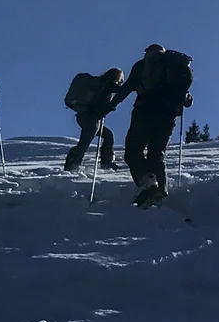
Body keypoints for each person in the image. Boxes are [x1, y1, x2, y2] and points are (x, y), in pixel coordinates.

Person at [110, 44, 193, 207]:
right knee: (156, 153)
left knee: (133, 151)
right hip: (169, 115)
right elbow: (185, 97)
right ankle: (161, 191)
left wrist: (109, 105)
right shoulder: (175, 68)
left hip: (145, 111)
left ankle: (147, 182)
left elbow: (126, 88)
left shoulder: (142, 66)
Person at [61, 67, 125, 173]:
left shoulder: (99, 84)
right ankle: (74, 164)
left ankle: (103, 163)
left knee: (107, 136)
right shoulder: (105, 86)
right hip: (89, 118)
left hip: (87, 117)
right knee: (86, 141)